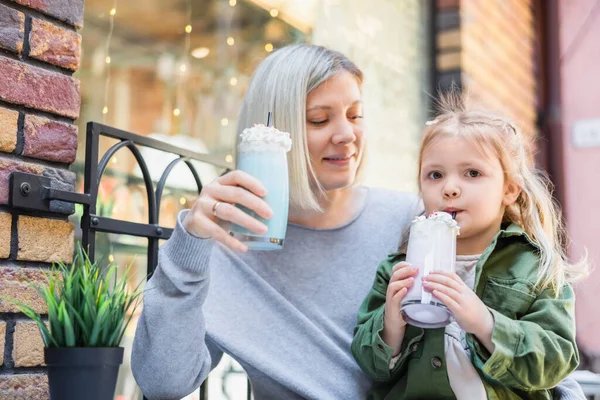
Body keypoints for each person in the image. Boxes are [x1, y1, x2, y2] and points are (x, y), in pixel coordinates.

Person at [131, 44, 420, 399]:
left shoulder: (410, 219)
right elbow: (163, 383)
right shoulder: (231, 247)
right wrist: (188, 245)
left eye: (355, 115)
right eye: (319, 119)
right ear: (272, 132)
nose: (347, 134)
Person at [351, 96, 589, 399]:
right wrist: (391, 327)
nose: (449, 187)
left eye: (472, 173)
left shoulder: (535, 267)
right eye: (435, 175)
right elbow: (368, 366)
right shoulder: (397, 269)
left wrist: (486, 324)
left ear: (509, 190)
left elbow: (556, 361)